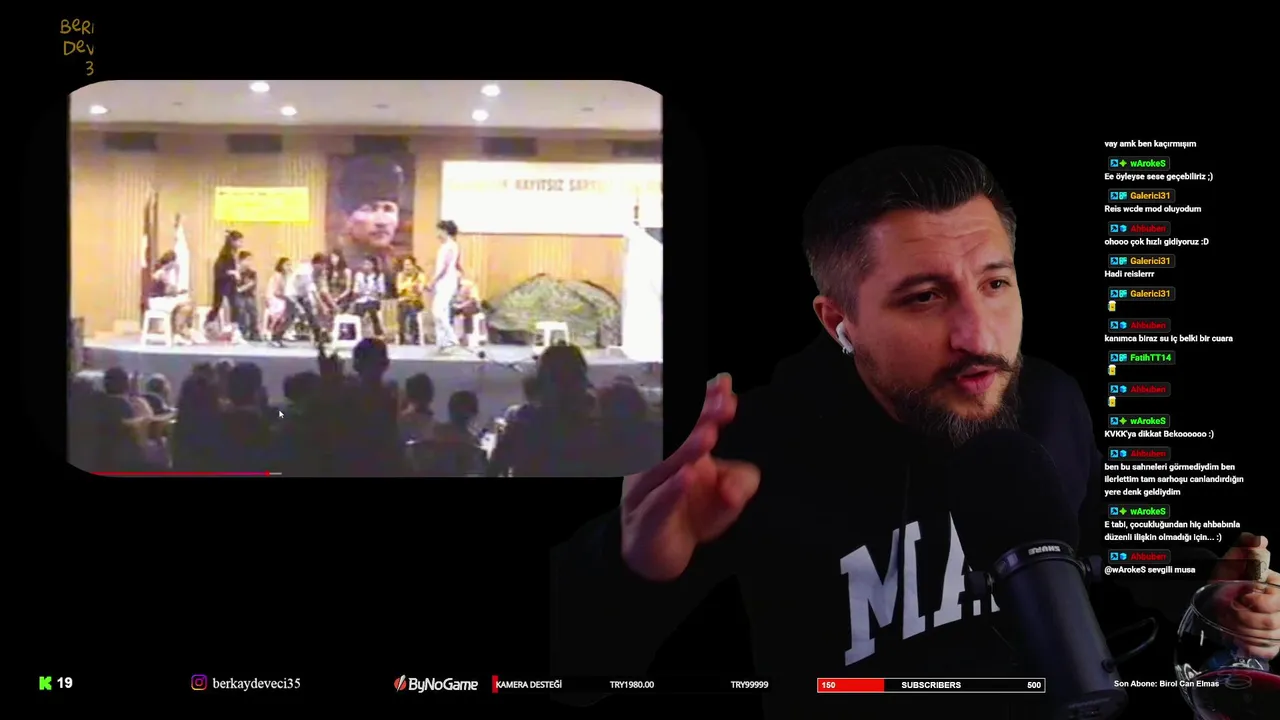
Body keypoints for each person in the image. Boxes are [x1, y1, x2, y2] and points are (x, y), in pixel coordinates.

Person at [550, 147, 1280, 718]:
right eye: (925, 297)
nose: (978, 336)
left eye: (995, 283)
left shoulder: (1051, 401)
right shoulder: (750, 456)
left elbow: (1101, 539)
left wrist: (1206, 591)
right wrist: (627, 568)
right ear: (840, 322)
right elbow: (572, 676)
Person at [333, 155, 406, 277]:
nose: (382, 222)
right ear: (346, 217)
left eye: (388, 209)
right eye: (369, 209)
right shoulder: (339, 263)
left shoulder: (394, 263)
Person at [275, 254, 326, 347]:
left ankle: (318, 338)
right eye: (322, 265)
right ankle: (276, 337)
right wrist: (320, 305)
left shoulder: (314, 273)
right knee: (290, 317)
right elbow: (309, 288)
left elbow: (312, 290)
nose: (323, 268)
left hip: (302, 295)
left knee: (311, 315)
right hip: (292, 293)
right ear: (316, 264)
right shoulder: (305, 271)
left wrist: (320, 305)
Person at [427, 220, 462, 354]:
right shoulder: (445, 246)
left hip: (446, 282)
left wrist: (432, 281)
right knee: (440, 312)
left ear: (445, 231)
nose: (437, 233)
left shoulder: (450, 246)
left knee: (439, 312)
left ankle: (452, 339)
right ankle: (442, 342)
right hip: (443, 282)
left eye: (439, 230)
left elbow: (445, 267)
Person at [147, 251, 197, 344]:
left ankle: (180, 331)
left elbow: (169, 290)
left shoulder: (163, 272)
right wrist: (178, 290)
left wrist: (177, 291)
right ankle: (180, 332)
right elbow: (169, 290)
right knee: (187, 306)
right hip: (157, 301)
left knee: (186, 305)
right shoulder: (161, 272)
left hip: (161, 300)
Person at [207, 230, 244, 331]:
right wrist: (232, 273)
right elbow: (220, 271)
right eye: (239, 241)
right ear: (232, 241)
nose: (241, 243)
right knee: (220, 306)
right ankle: (212, 325)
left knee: (235, 306)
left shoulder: (233, 255)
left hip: (231, 285)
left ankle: (233, 329)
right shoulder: (224, 256)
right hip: (223, 285)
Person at [351, 256, 386, 339]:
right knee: (357, 309)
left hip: (374, 300)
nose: (365, 266)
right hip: (361, 300)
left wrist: (375, 294)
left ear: (373, 265)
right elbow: (355, 291)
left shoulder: (378, 276)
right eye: (364, 264)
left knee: (371, 308)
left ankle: (378, 333)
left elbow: (382, 292)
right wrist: (358, 294)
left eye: (368, 264)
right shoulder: (358, 275)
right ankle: (354, 334)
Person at [395, 256, 426, 345]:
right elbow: (399, 289)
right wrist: (410, 284)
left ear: (413, 265)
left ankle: (415, 337)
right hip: (403, 301)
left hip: (416, 301)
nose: (406, 267)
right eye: (405, 265)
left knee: (412, 310)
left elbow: (420, 290)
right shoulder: (400, 275)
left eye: (409, 265)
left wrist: (410, 286)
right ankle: (401, 336)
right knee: (402, 310)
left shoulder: (420, 275)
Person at [234, 251, 260, 341]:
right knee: (241, 309)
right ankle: (242, 332)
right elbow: (234, 287)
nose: (249, 262)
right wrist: (242, 287)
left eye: (251, 260)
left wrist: (243, 288)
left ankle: (254, 332)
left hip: (249, 295)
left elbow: (252, 284)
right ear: (240, 260)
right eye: (247, 260)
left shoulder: (252, 273)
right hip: (237, 296)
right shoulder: (235, 272)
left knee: (253, 310)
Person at [265, 258, 291, 344]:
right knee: (280, 313)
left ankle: (278, 334)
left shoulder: (285, 276)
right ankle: (273, 334)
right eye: (286, 265)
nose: (288, 267)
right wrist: (286, 298)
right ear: (281, 265)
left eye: (289, 265)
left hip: (280, 298)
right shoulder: (277, 275)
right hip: (274, 298)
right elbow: (276, 292)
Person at [452, 278, 483, 347]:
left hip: (471, 306)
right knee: (454, 315)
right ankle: (458, 337)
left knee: (467, 314)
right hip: (459, 305)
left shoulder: (468, 285)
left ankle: (469, 338)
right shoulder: (451, 286)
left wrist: (461, 306)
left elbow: (473, 299)